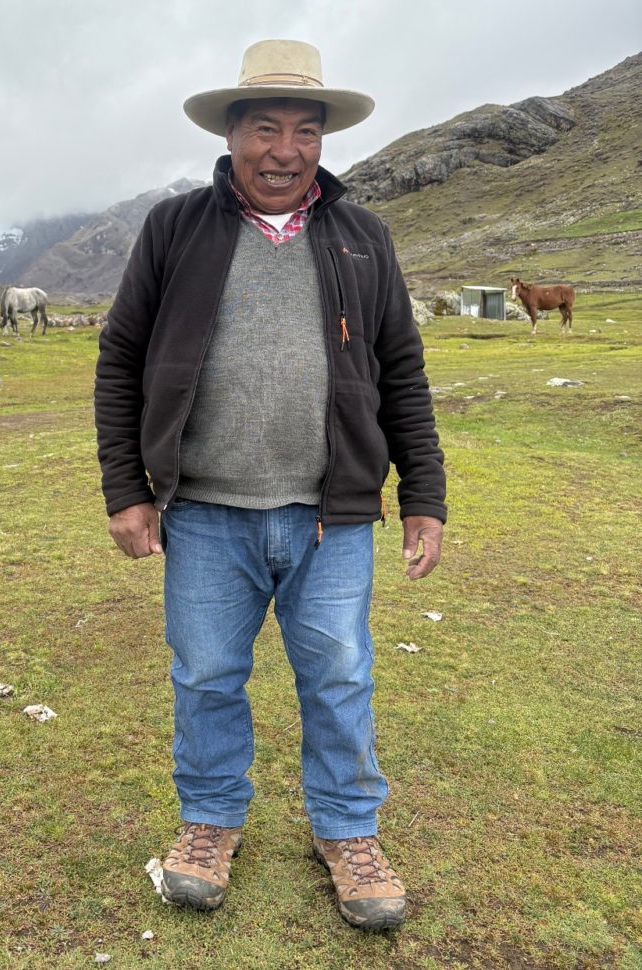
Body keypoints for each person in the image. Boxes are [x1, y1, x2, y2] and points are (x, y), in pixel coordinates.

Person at [94, 39, 446, 932]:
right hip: (205, 512)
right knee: (207, 676)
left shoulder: (364, 237)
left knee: (339, 675)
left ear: (323, 141)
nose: (284, 149)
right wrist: (124, 489)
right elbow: (121, 359)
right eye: (264, 128)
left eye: (304, 130)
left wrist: (425, 496)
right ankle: (210, 821)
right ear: (230, 133)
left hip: (334, 517)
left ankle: (349, 832)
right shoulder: (175, 228)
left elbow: (401, 368)